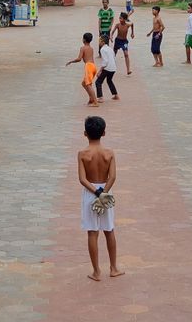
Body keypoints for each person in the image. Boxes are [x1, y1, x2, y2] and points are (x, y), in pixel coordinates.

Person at [78, 115, 123, 281]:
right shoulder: (109, 153)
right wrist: (104, 192)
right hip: (106, 192)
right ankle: (114, 268)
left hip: (90, 194)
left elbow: (82, 179)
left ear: (85, 133)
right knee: (109, 230)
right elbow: (112, 177)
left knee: (92, 232)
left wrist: (96, 193)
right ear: (104, 133)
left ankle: (96, 271)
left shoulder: (82, 154)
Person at [66, 32, 99, 107]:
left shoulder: (83, 48)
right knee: (84, 83)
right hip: (93, 66)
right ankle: (91, 99)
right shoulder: (91, 48)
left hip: (88, 66)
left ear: (84, 39)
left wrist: (71, 61)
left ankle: (95, 102)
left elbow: (79, 59)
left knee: (88, 85)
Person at [95, 35, 119, 102]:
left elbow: (105, 61)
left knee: (98, 82)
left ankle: (100, 98)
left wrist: (100, 70)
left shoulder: (102, 49)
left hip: (107, 68)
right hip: (113, 68)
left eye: (99, 40)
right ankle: (116, 95)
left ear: (102, 42)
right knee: (109, 80)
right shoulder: (110, 48)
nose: (99, 42)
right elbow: (113, 57)